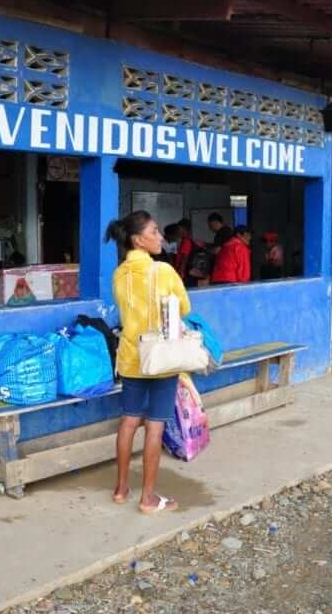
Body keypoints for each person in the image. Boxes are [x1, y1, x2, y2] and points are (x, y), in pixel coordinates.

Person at [105, 210, 190, 514]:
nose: (160, 237)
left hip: (130, 357)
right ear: (138, 240)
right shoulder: (163, 271)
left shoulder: (119, 274)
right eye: (155, 232)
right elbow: (184, 306)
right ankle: (148, 498)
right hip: (160, 357)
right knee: (154, 427)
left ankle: (121, 488)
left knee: (128, 422)